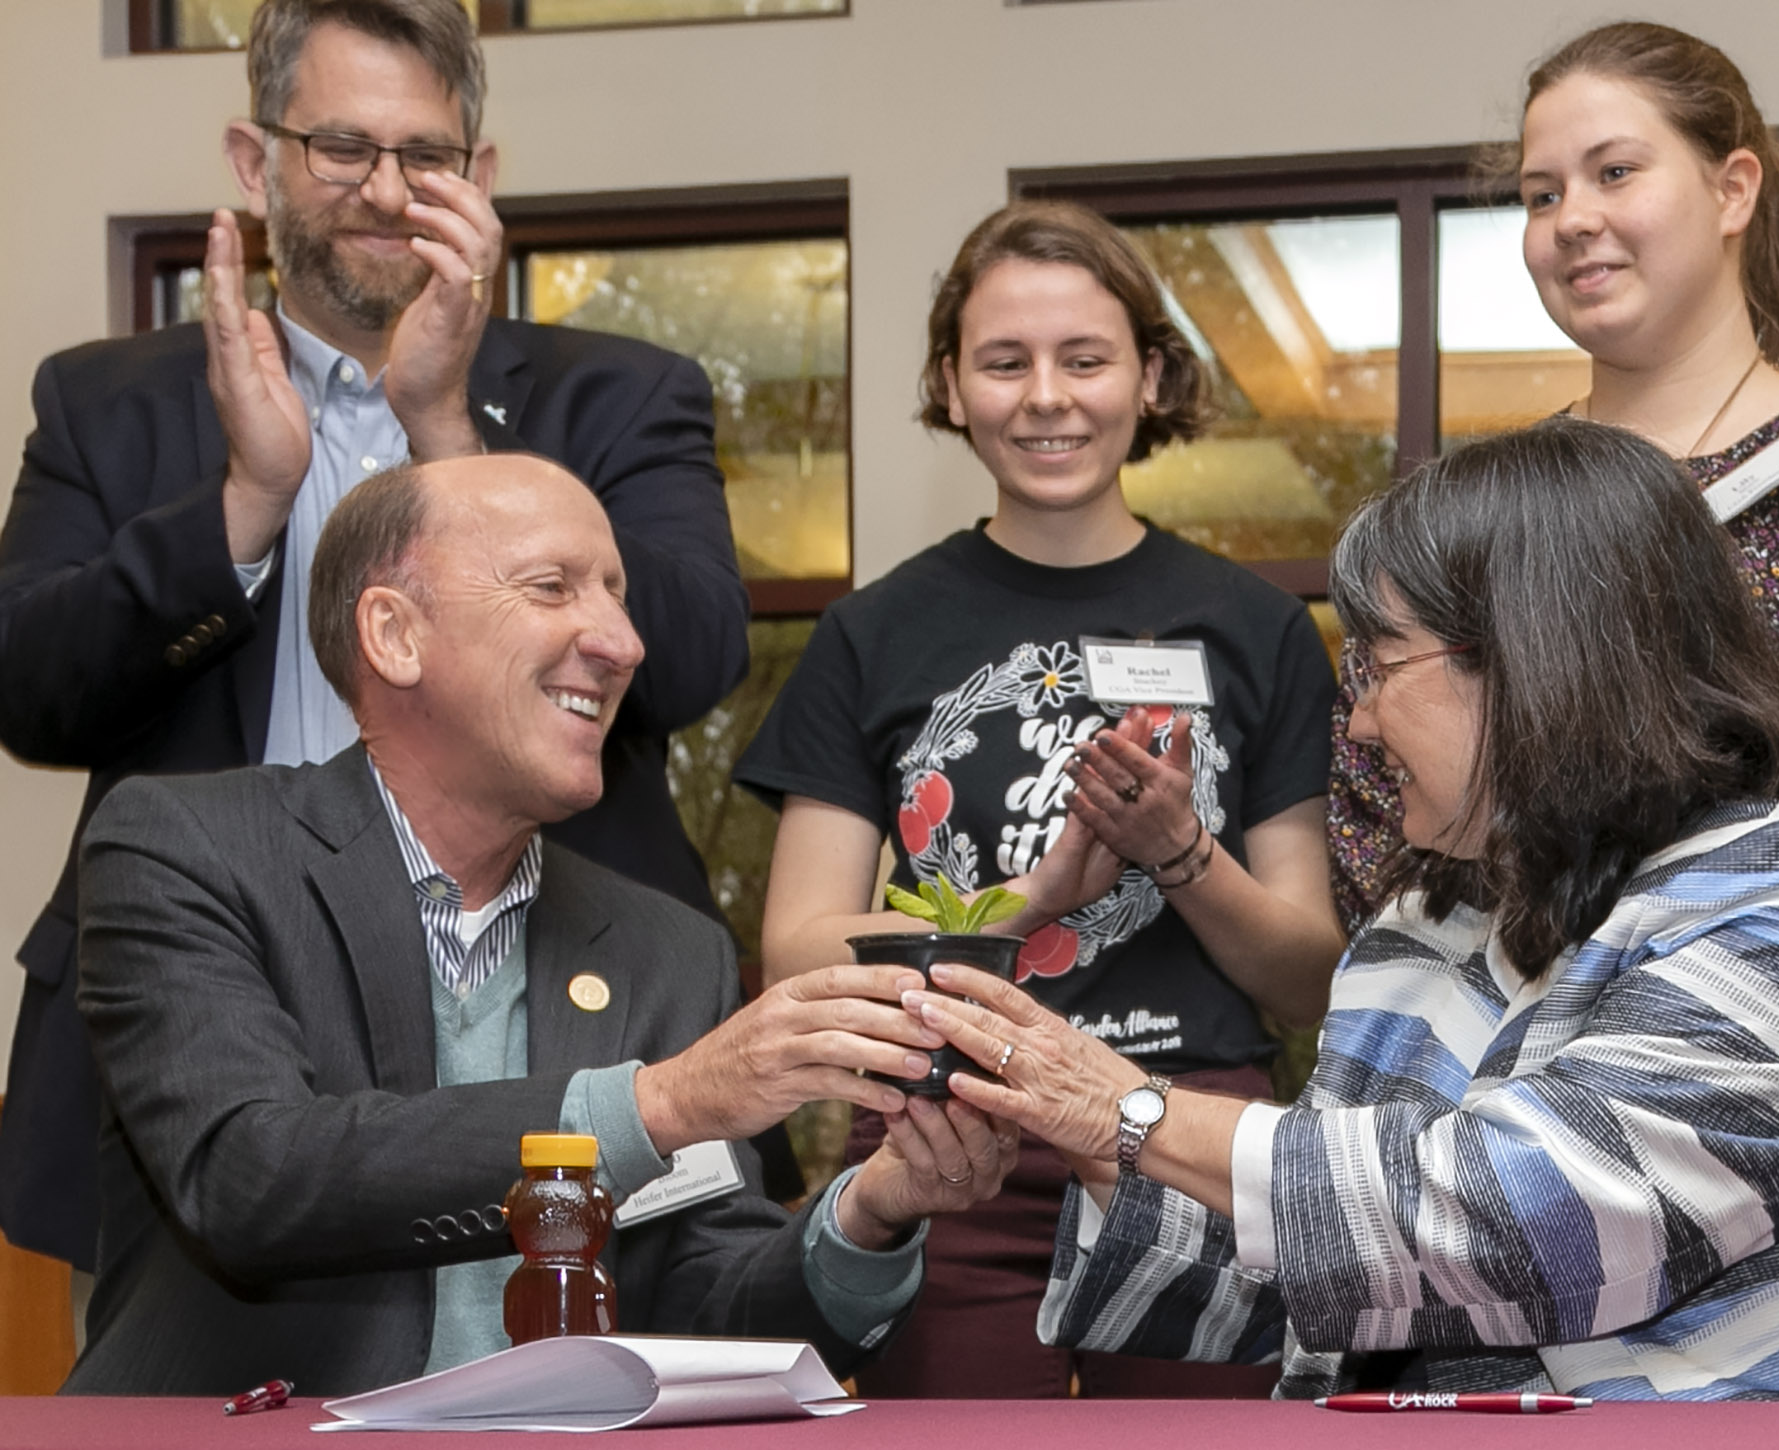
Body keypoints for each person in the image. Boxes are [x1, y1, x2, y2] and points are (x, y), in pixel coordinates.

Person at [910, 417, 1779, 1402]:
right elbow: (1319, 1286)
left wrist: (1136, 1114)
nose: (1362, 725)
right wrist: (1071, 1132)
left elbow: (1546, 1218)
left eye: (1377, 666)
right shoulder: (1418, 925)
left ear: (1531, 660)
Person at [0, 0, 752, 1273]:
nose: (386, 191)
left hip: (548, 993)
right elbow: (30, 691)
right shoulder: (106, 400)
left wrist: (450, 428)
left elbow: (688, 658)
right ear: (254, 161)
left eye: (427, 157)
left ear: (483, 177)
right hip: (209, 1010)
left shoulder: (618, 392)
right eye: (340, 148)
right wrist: (247, 499)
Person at [63, 452, 1013, 1396]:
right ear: (395, 635)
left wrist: (873, 1213)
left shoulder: (666, 949)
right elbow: (251, 1178)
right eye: (553, 587)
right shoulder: (187, 848)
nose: (623, 641)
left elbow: (714, 1311)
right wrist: (663, 1104)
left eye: (616, 594)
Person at [733, 201, 1342, 1398]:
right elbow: (794, 952)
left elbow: (1309, 976)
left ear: (1149, 375)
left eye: (1085, 357)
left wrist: (1178, 852)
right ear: (950, 385)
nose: (1045, 396)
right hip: (948, 1132)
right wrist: (1024, 899)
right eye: (1003, 362)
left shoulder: (1256, 629)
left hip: (1185, 1133)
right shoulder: (873, 632)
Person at [1325, 21, 1779, 966]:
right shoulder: (1468, 510)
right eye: (1541, 193)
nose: (1570, 219)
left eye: (1614, 173)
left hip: (1778, 1054)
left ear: (1733, 189)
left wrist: (1665, 1002)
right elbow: (1376, 821)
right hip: (1491, 1054)